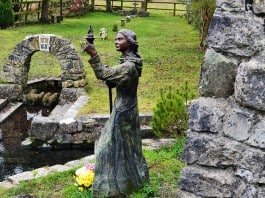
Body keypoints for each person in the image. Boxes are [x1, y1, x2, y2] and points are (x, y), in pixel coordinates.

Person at [85, 29, 149, 197]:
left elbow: (103, 74)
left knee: (106, 148)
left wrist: (94, 54)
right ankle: (130, 181)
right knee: (126, 147)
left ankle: (113, 187)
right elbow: (116, 76)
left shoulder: (128, 66)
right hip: (128, 106)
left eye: (120, 39)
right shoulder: (131, 61)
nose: (116, 41)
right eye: (115, 38)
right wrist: (113, 81)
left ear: (129, 42)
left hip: (123, 110)